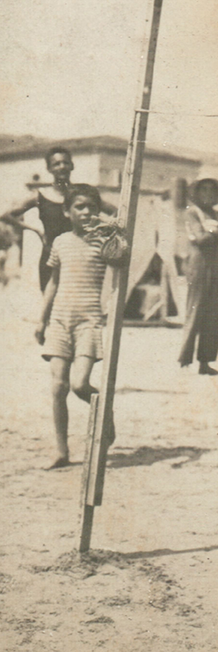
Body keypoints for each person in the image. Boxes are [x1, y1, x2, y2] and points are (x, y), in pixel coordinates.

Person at [34, 184, 117, 469]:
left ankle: (105, 417)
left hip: (89, 320)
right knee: (58, 387)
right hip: (60, 318)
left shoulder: (104, 239)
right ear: (67, 212)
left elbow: (123, 241)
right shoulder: (60, 241)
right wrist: (41, 319)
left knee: (79, 383)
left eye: (91, 207)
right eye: (79, 207)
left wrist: (112, 225)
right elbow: (53, 283)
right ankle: (61, 450)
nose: (86, 212)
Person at [1, 146, 116, 291]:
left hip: (79, 258)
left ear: (72, 166)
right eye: (56, 164)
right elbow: (6, 215)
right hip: (51, 259)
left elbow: (115, 212)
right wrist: (36, 230)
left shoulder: (81, 195)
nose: (62, 167)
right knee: (51, 305)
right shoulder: (40, 197)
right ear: (49, 169)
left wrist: (98, 231)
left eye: (65, 163)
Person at [178, 178, 218, 376]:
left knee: (214, 314)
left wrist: (214, 232)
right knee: (195, 310)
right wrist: (217, 234)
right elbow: (200, 239)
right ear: (198, 193)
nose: (208, 195)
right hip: (198, 265)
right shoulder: (193, 213)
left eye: (212, 191)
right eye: (204, 191)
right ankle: (185, 359)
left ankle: (205, 361)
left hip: (216, 266)